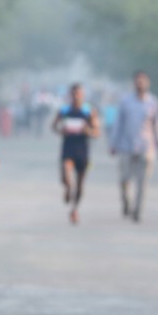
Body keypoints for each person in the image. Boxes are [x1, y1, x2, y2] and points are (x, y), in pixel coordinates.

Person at [109, 71, 158, 223]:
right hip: (126, 146)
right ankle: (126, 202)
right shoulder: (125, 102)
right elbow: (118, 124)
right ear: (133, 83)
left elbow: (157, 126)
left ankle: (137, 210)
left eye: (143, 81)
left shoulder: (153, 102)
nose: (140, 84)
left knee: (143, 182)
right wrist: (113, 143)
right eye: (137, 81)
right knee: (124, 179)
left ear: (148, 83)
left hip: (146, 148)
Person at [51, 83, 99, 225]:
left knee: (80, 185)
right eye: (73, 94)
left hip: (82, 150)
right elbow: (54, 126)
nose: (76, 97)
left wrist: (88, 131)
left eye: (78, 94)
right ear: (70, 95)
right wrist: (61, 130)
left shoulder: (89, 112)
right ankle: (67, 187)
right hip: (68, 148)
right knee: (66, 174)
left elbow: (97, 132)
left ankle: (74, 209)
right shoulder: (64, 111)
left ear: (82, 95)